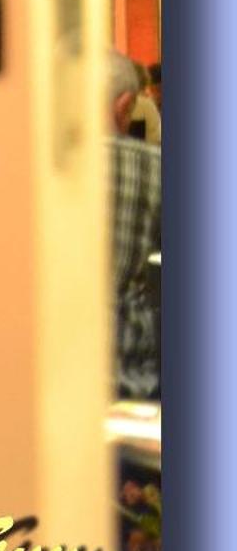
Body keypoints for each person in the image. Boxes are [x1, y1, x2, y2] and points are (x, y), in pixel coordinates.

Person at [108, 50, 162, 399]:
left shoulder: (26, 172)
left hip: (45, 386)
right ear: (125, 105)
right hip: (133, 383)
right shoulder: (154, 168)